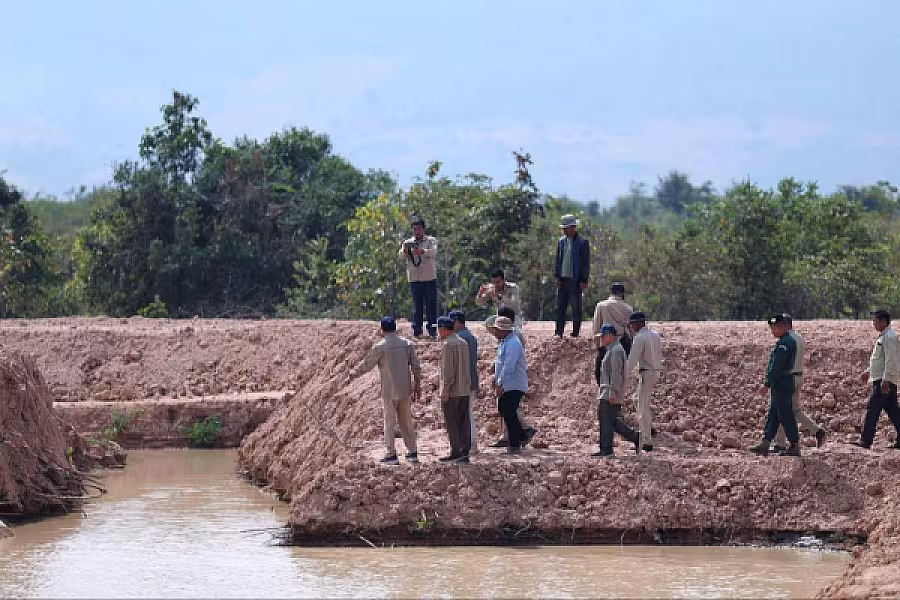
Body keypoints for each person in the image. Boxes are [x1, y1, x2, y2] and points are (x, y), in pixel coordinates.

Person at [348, 316, 420, 464]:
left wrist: (353, 373)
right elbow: (415, 365)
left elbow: (367, 364)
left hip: (389, 390)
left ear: (382, 329)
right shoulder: (407, 344)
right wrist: (417, 383)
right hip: (405, 389)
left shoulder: (380, 347)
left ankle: (391, 453)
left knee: (389, 421)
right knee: (406, 421)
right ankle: (412, 451)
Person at [772, 314, 827, 451]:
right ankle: (815, 431)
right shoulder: (799, 338)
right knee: (793, 410)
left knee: (783, 409)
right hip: (798, 376)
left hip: (788, 378)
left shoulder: (787, 340)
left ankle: (783, 443)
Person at [749, 314, 801, 457]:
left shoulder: (785, 343)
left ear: (783, 327)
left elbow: (776, 367)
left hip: (782, 381)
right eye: (772, 328)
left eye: (776, 328)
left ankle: (794, 444)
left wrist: (767, 384)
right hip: (780, 382)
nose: (773, 331)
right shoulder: (784, 341)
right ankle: (765, 442)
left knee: (785, 414)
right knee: (774, 414)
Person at [485, 308, 536, 448]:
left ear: (503, 330)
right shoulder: (505, 342)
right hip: (507, 383)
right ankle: (522, 435)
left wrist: (499, 383)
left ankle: (515, 442)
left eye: (496, 330)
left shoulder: (513, 343)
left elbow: (509, 366)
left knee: (508, 411)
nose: (495, 333)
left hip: (513, 383)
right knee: (505, 409)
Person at [851, 309, 900, 450]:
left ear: (884, 321)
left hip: (884, 381)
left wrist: (886, 379)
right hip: (883, 379)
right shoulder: (884, 336)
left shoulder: (889, 337)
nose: (873, 323)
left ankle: (865, 441)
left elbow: (891, 360)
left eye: (876, 321)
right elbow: (880, 360)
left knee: (872, 409)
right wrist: (868, 371)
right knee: (893, 411)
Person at [593, 324, 641, 457]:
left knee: (606, 420)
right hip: (608, 391)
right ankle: (635, 437)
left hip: (609, 392)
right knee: (612, 421)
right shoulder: (613, 349)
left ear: (610, 336)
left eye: (603, 336)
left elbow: (616, 374)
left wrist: (613, 393)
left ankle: (606, 449)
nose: (602, 339)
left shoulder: (615, 351)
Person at [626, 311, 662, 451]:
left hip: (647, 372)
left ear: (639, 323)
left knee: (642, 408)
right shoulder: (655, 334)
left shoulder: (639, 338)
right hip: (655, 371)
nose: (631, 327)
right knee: (640, 401)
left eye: (632, 324)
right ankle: (650, 428)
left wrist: (624, 375)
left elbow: (632, 360)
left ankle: (646, 441)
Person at [437, 316, 472, 463]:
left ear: (444, 329)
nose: (438, 332)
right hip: (464, 388)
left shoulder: (447, 345)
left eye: (439, 329)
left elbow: (448, 371)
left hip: (453, 390)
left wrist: (445, 389)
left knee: (452, 421)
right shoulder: (463, 343)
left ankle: (456, 451)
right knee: (464, 421)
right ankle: (465, 451)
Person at [399, 217, 438, 338]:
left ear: (424, 229)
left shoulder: (430, 240)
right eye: (415, 229)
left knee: (431, 304)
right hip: (415, 278)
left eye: (419, 229)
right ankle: (417, 330)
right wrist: (406, 249)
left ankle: (432, 330)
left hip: (429, 277)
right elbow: (401, 255)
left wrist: (422, 251)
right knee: (417, 305)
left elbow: (433, 252)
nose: (417, 231)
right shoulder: (408, 242)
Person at [553, 214, 590, 338]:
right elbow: (558, 260)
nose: (564, 230)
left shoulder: (582, 242)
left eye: (566, 228)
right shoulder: (561, 242)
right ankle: (558, 332)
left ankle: (575, 333)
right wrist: (557, 276)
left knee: (576, 307)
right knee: (560, 307)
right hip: (562, 279)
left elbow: (585, 263)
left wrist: (584, 279)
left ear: (573, 227)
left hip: (575, 280)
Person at [448, 310, 480, 454]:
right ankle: (469, 443)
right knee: (467, 412)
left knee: (465, 414)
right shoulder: (471, 337)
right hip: (472, 379)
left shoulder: (459, 338)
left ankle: (470, 443)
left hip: (463, 381)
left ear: (457, 322)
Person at [592, 282, 634, 385]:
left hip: (606, 343)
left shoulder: (601, 305)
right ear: (622, 293)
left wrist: (598, 345)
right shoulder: (628, 308)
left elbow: (596, 327)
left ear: (611, 292)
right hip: (622, 343)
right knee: (619, 373)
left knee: (601, 373)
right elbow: (630, 330)